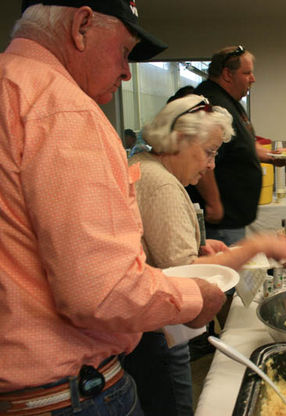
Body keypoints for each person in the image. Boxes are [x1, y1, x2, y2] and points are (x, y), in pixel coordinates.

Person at [0, 1, 226, 415]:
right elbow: (102, 292)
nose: (126, 71)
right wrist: (198, 299)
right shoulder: (62, 107)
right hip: (65, 394)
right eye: (125, 51)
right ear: (82, 25)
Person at [125, 94, 286, 416]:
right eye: (208, 152)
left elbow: (164, 255)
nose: (211, 165)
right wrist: (256, 246)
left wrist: (207, 253)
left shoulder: (145, 167)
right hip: (156, 333)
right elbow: (183, 272)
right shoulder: (162, 184)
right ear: (179, 138)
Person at [189, 45, 286, 246]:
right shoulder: (211, 103)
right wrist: (213, 203)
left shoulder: (230, 101)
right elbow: (199, 156)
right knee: (227, 274)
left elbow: (239, 145)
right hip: (220, 222)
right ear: (227, 74)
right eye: (247, 73)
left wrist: (269, 156)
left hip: (232, 218)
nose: (253, 79)